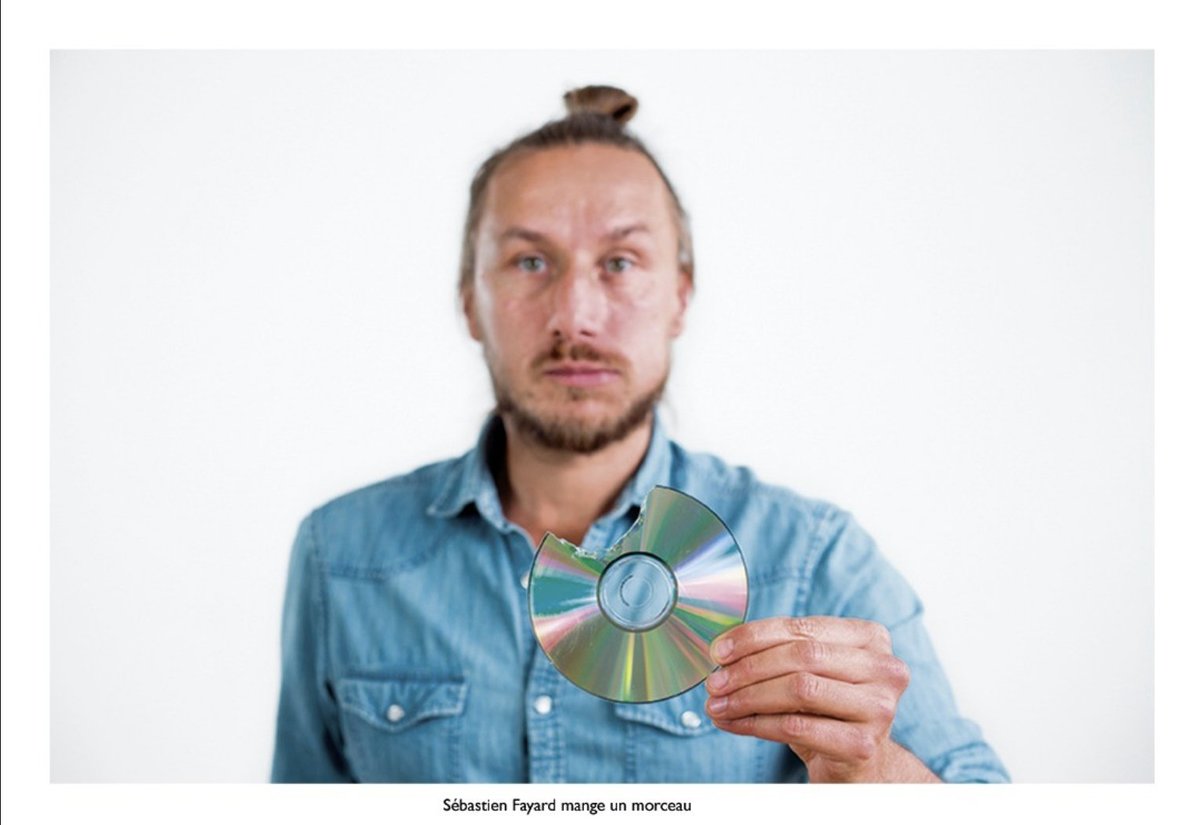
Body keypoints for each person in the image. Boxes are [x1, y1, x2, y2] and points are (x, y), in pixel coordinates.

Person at [270, 85, 1009, 783]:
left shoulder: (813, 559)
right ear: (469, 301)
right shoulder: (340, 554)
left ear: (680, 298)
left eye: (620, 263)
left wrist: (875, 772)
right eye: (530, 261)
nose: (576, 316)